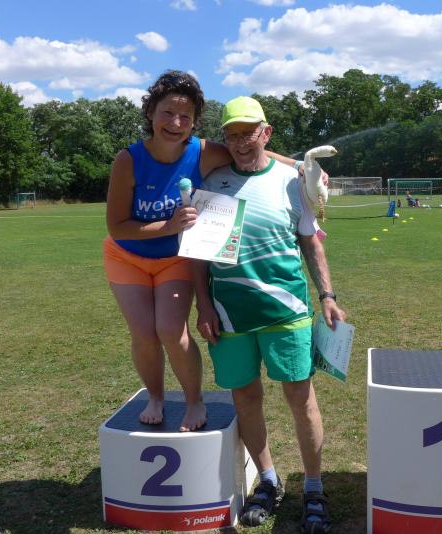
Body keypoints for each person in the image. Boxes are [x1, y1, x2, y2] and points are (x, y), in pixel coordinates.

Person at [104, 71, 303, 431]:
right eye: (167, 113)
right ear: (150, 112)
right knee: (144, 333)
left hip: (176, 257)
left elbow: (254, 149)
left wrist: (302, 167)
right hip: (127, 256)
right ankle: (155, 396)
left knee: (170, 329)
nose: (176, 123)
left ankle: (194, 401)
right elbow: (117, 226)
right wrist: (169, 226)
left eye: (186, 116)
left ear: (195, 122)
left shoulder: (203, 152)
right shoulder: (128, 160)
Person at [193, 96, 346, 533]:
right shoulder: (213, 183)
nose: (241, 143)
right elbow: (200, 255)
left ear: (267, 133)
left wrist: (328, 296)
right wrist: (204, 305)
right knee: (245, 399)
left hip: (287, 311)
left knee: (301, 401)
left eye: (249, 133)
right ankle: (269, 481)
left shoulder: (291, 182)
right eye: (232, 135)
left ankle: (313, 488)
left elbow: (311, 242)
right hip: (230, 315)